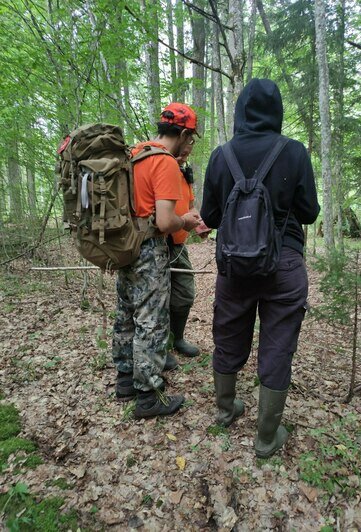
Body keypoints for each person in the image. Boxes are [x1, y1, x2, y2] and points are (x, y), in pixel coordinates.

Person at [200, 78, 320, 457]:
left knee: (228, 330)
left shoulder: (222, 156)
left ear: (240, 112)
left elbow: (210, 216)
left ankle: (225, 409)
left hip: (234, 266)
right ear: (277, 112)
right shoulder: (294, 152)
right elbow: (310, 213)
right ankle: (266, 438)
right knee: (278, 344)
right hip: (284, 264)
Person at [112, 103, 201, 418]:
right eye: (192, 139)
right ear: (184, 133)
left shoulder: (135, 153)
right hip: (149, 249)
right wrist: (186, 221)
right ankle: (148, 396)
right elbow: (164, 221)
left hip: (125, 244)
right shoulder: (163, 161)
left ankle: (124, 379)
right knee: (151, 319)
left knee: (125, 311)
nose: (191, 146)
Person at [167, 144, 201, 360]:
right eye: (181, 153)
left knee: (185, 294)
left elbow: (190, 206)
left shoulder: (183, 173)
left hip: (179, 246)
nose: (183, 157)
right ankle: (162, 346)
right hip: (157, 244)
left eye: (187, 154)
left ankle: (177, 338)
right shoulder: (159, 166)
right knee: (159, 299)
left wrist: (199, 224)